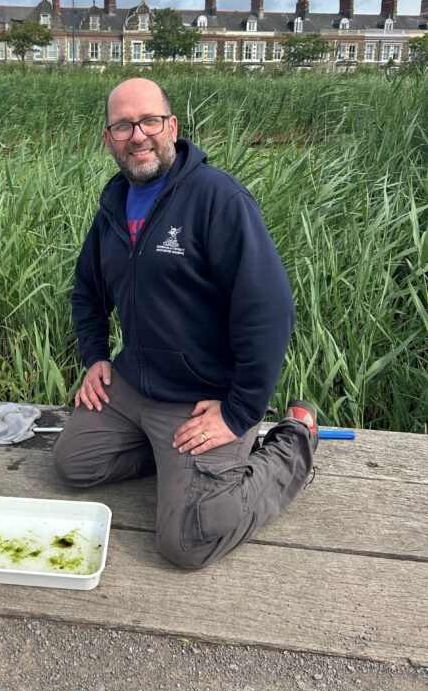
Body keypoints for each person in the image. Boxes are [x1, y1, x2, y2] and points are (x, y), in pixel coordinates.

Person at [53, 77, 318, 569]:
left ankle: (293, 443)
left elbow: (269, 311)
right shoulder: (112, 205)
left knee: (187, 542)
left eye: (149, 121)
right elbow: (88, 292)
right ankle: (176, 464)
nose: (138, 136)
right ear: (107, 139)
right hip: (133, 387)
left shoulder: (217, 198)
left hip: (202, 400)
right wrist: (95, 357)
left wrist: (239, 412)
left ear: (171, 127)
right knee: (74, 465)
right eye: (122, 126)